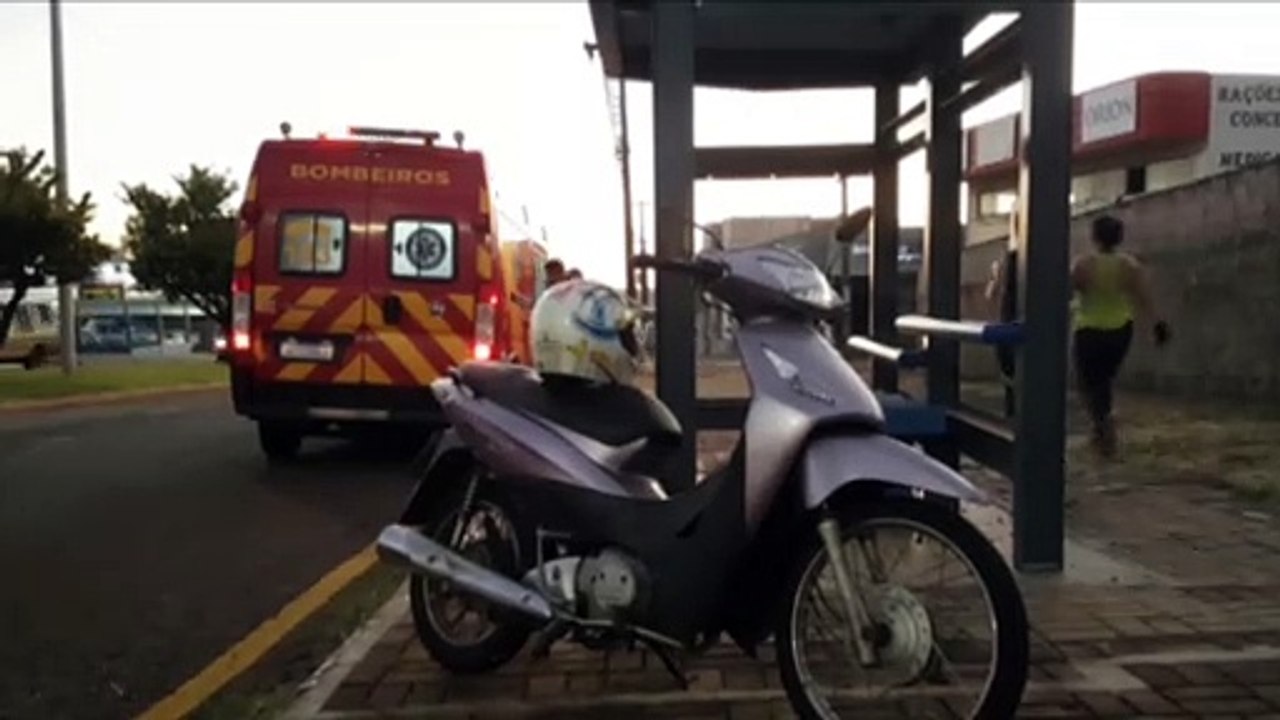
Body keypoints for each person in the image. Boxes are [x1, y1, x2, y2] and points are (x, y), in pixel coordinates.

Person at [1071, 214, 1170, 457]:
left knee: (1088, 382)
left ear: (1094, 237)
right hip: (1119, 330)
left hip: (1088, 329)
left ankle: (1102, 425)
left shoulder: (1082, 265)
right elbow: (1143, 297)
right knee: (1104, 379)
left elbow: (1069, 291)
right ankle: (1103, 425)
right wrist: (1158, 324)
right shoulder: (1130, 266)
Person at [985, 205, 1019, 417]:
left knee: (1009, 371)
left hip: (1009, 320)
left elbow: (991, 294)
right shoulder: (1044, 255)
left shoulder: (1008, 258)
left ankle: (1012, 410)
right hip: (1023, 321)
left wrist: (996, 277)